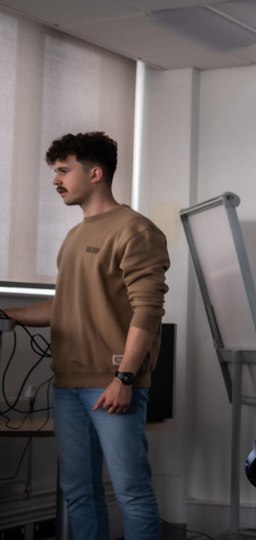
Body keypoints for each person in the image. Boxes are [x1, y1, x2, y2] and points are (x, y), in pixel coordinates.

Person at [2, 132, 169, 540]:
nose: (56, 180)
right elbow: (62, 305)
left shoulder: (136, 230)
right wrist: (9, 314)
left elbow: (148, 309)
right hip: (68, 386)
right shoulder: (74, 236)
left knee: (131, 492)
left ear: (95, 173)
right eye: (54, 171)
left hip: (112, 383)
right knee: (78, 492)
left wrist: (124, 377)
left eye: (63, 170)